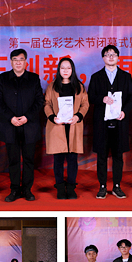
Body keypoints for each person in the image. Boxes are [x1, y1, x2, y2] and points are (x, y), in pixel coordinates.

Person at [0, 48, 45, 202]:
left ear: (26, 62)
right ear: (11, 62)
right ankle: (15, 190)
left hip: (29, 126)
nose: (18, 62)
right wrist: (10, 117)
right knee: (13, 160)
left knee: (29, 159)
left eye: (21, 59)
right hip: (10, 126)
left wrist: (27, 117)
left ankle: (27, 190)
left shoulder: (33, 78)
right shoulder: (3, 78)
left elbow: (39, 101)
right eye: (15, 60)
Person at [88, 45, 132, 199]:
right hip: (101, 123)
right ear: (103, 58)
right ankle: (102, 186)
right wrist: (101, 99)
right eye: (107, 54)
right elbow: (90, 97)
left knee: (117, 155)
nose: (111, 57)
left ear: (118, 57)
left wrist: (125, 111)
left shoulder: (125, 76)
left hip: (119, 122)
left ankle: (117, 186)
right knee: (102, 155)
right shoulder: (96, 77)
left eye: (113, 54)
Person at [44, 57, 89, 199]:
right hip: (57, 126)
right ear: (59, 70)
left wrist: (78, 116)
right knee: (58, 160)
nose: (65, 70)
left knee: (72, 159)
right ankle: (59, 187)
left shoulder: (79, 86)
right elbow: (47, 104)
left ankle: (70, 187)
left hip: (73, 126)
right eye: (62, 68)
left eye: (68, 68)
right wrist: (52, 117)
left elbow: (85, 104)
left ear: (72, 70)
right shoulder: (52, 86)